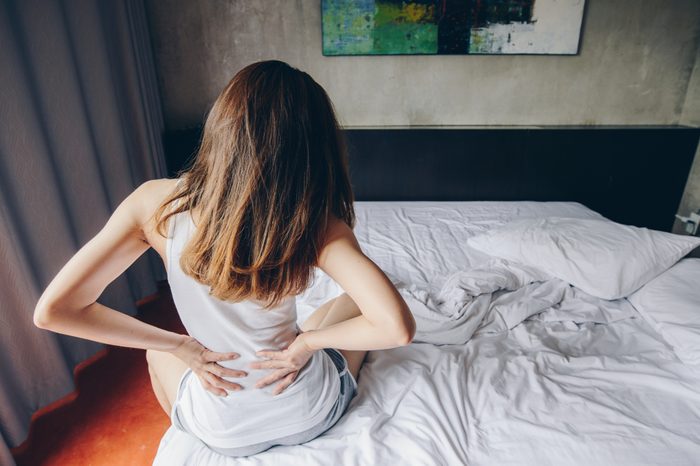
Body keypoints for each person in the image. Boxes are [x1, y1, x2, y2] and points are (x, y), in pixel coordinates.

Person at [33, 59, 416, 457]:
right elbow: (396, 327)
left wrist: (180, 346)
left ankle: (194, 438)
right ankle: (304, 343)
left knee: (155, 352)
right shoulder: (317, 224)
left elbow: (55, 311)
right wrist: (306, 345)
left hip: (223, 431)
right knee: (345, 307)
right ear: (313, 150)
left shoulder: (155, 205)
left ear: (223, 129)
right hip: (306, 412)